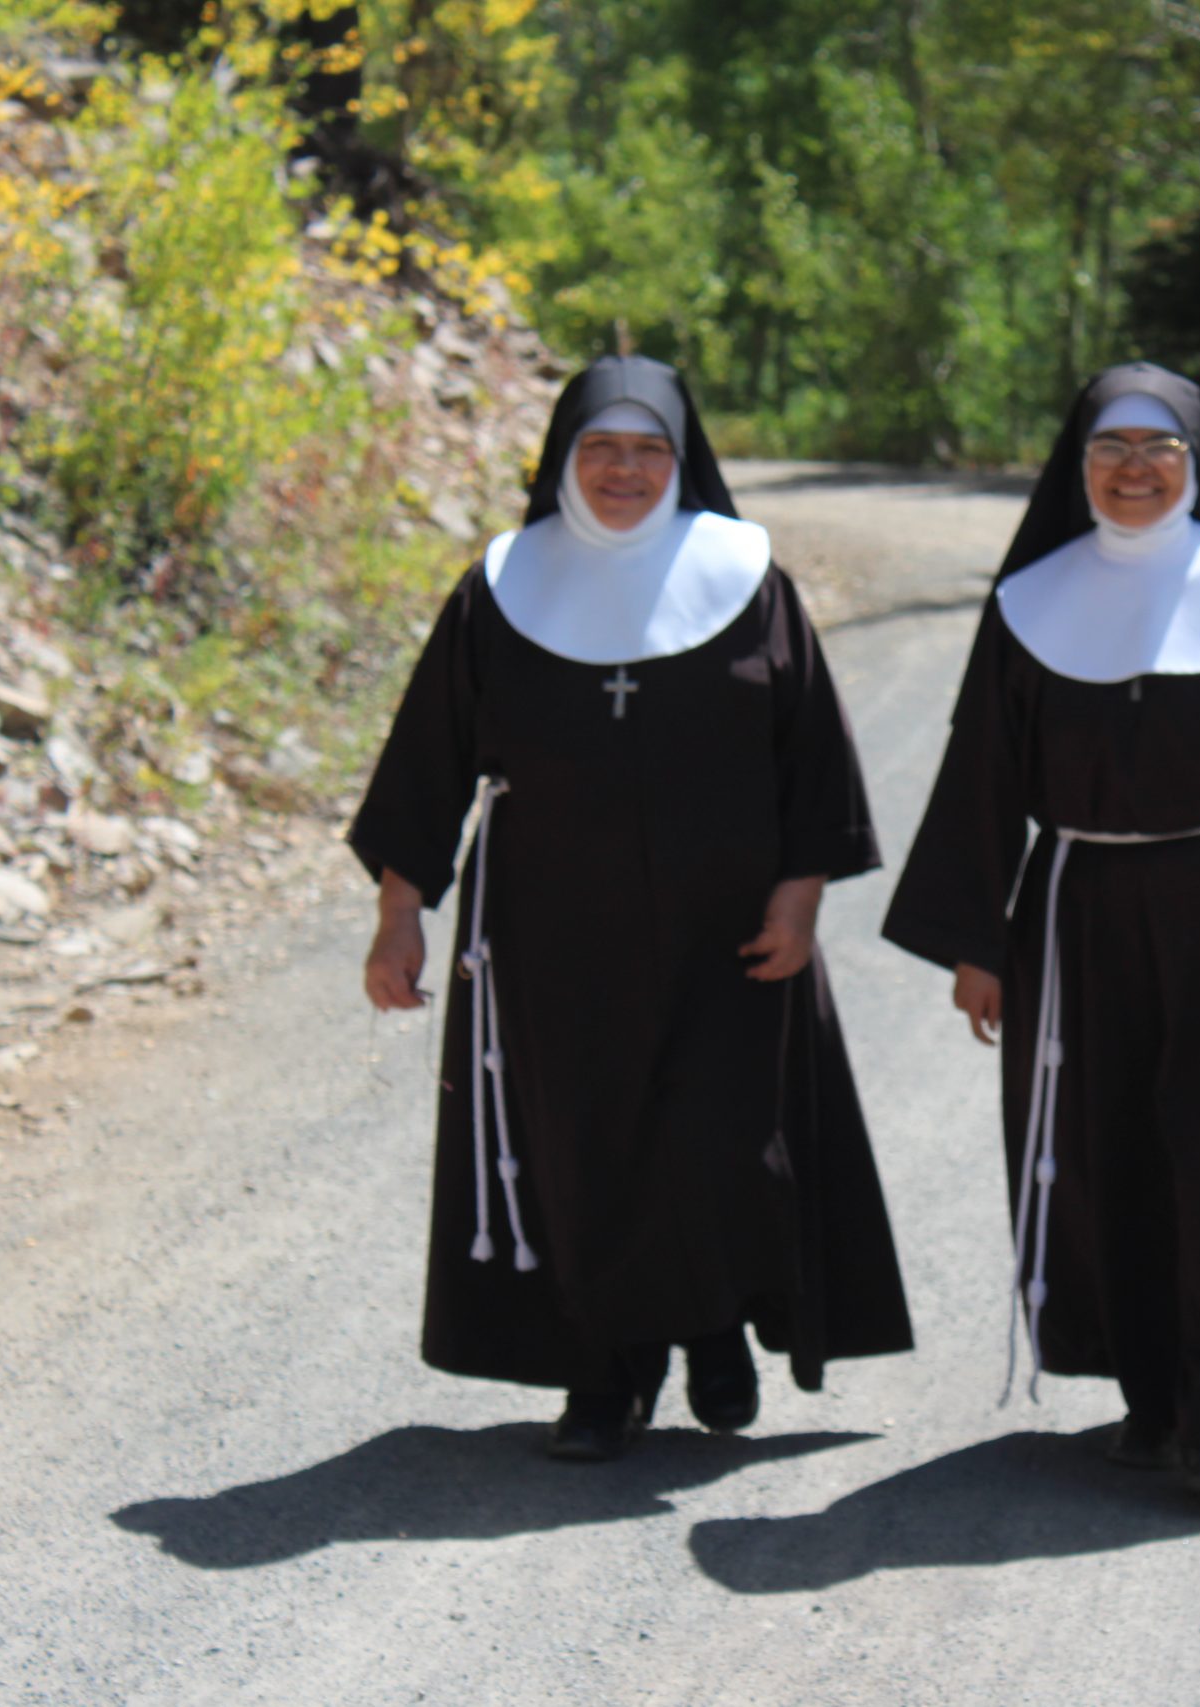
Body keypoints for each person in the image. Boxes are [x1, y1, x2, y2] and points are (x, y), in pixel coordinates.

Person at [351, 355, 913, 1461]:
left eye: (648, 449)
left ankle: (710, 1335)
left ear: (681, 460)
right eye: (600, 449)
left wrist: (800, 900)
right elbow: (429, 761)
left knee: (716, 1133)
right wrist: (399, 910)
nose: (624, 470)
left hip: (729, 921)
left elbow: (812, 760)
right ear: (564, 460)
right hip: (548, 925)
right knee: (580, 1140)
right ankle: (602, 1376)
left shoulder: (750, 581)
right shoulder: (501, 586)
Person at [881, 362, 1200, 1501]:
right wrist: (979, 942)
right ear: (1078, 469)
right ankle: (1150, 1394)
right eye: (1110, 449)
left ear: (1195, 462)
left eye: (1157, 448)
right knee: (1105, 1158)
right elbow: (981, 777)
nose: (1133, 470)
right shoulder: (1029, 604)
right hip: (1078, 912)